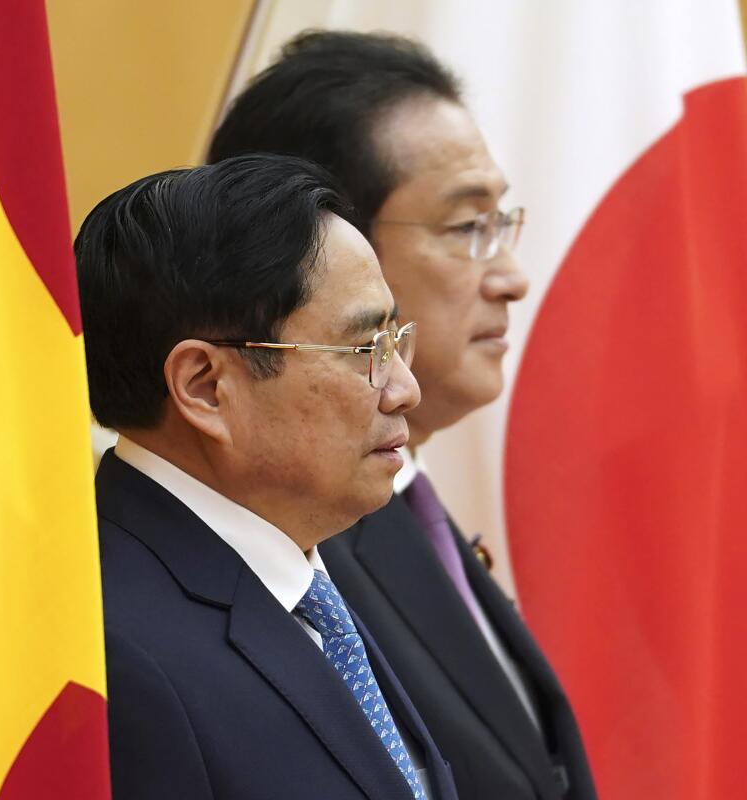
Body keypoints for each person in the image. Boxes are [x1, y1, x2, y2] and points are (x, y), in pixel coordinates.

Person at [208, 31, 596, 800]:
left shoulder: (396, 499)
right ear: (322, 246)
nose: (513, 278)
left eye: (502, 223)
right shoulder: (284, 547)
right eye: (466, 229)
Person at [76, 153, 455, 800]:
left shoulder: (315, 578)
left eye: (397, 342)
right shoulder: (119, 660)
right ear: (205, 388)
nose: (406, 389)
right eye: (366, 350)